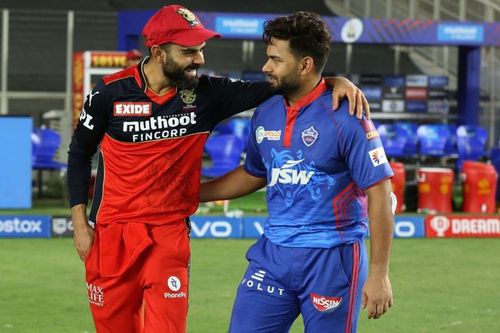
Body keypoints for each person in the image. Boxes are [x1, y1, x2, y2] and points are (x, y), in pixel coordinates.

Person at [68, 5, 370, 333]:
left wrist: (335, 80)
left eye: (201, 50)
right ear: (158, 52)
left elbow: (292, 80)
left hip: (169, 232)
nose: (199, 59)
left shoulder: (207, 95)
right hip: (112, 233)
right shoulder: (108, 93)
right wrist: (80, 224)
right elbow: (79, 153)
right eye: (189, 52)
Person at [200, 11, 394, 333]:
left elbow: (380, 192)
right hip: (272, 256)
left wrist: (379, 273)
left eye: (275, 59)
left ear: (305, 65)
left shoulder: (347, 117)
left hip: (333, 260)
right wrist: (194, 193)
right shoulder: (265, 111)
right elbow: (256, 172)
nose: (266, 67)